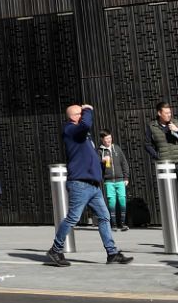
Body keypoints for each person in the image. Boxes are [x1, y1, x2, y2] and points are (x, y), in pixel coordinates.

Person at [44, 103, 132, 267]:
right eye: (80, 113)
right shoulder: (70, 130)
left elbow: (86, 157)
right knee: (73, 218)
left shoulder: (85, 135)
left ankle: (112, 253)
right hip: (80, 184)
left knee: (104, 217)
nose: (83, 115)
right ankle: (55, 249)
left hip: (93, 186)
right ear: (73, 116)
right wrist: (89, 109)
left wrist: (101, 165)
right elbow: (86, 123)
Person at [145, 103, 178, 228]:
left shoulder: (176, 123)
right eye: (166, 113)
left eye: (170, 113)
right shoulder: (152, 126)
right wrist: (156, 156)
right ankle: (170, 221)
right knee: (167, 192)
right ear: (159, 113)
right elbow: (147, 144)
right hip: (164, 163)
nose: (169, 115)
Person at [99, 131, 129, 228]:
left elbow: (124, 163)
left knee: (122, 199)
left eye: (110, 138)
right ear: (102, 140)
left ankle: (123, 223)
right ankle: (114, 224)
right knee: (111, 201)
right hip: (108, 180)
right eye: (106, 139)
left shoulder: (116, 148)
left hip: (120, 179)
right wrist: (102, 161)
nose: (109, 140)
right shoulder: (100, 151)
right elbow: (96, 166)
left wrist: (126, 177)